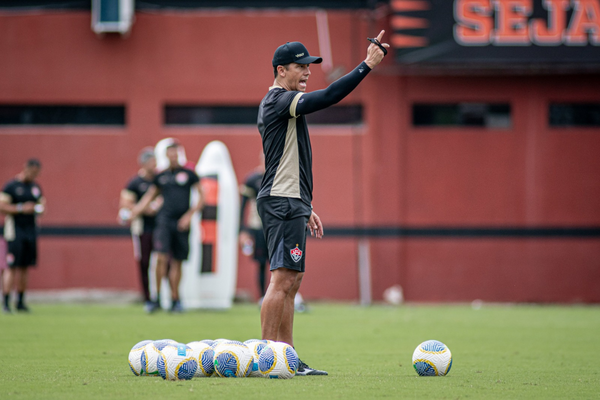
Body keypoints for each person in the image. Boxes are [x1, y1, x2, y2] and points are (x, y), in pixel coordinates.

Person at [256, 31, 389, 375]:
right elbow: (329, 96)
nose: (307, 71)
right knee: (282, 280)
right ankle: (265, 359)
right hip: (281, 201)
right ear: (280, 70)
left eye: (309, 66)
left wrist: (305, 204)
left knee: (292, 282)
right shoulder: (278, 100)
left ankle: (287, 358)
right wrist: (366, 66)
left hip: (291, 201)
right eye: (300, 66)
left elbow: (287, 159)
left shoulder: (285, 105)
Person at [130, 140, 203, 313]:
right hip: (164, 221)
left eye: (175, 153)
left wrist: (189, 216)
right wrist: (134, 212)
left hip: (182, 223)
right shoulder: (161, 176)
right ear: (166, 155)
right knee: (161, 257)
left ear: (179, 153)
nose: (173, 156)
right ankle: (156, 298)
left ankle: (175, 299)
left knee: (177, 261)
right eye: (169, 153)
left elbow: (201, 197)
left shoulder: (189, 174)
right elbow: (149, 196)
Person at [118, 147, 162, 313]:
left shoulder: (160, 179)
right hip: (142, 227)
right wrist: (143, 208)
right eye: (151, 161)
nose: (154, 164)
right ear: (144, 163)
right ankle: (148, 298)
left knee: (163, 260)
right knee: (144, 262)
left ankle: (161, 296)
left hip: (160, 226)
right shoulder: (135, 182)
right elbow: (125, 203)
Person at [0, 158, 46, 313]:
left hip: (30, 231)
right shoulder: (11, 186)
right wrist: (21, 208)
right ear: (25, 169)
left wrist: (39, 209)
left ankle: (20, 301)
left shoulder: (35, 187)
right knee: (11, 266)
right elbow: (2, 206)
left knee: (25, 267)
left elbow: (42, 205)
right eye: (32, 172)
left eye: (36, 173)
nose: (34, 175)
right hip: (15, 231)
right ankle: (6, 302)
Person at [239, 155, 269, 301]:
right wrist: (243, 230)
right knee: (261, 262)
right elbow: (243, 206)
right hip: (258, 226)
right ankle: (263, 296)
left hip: (276, 226)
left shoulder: (279, 177)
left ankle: (277, 296)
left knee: (280, 263)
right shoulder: (253, 179)